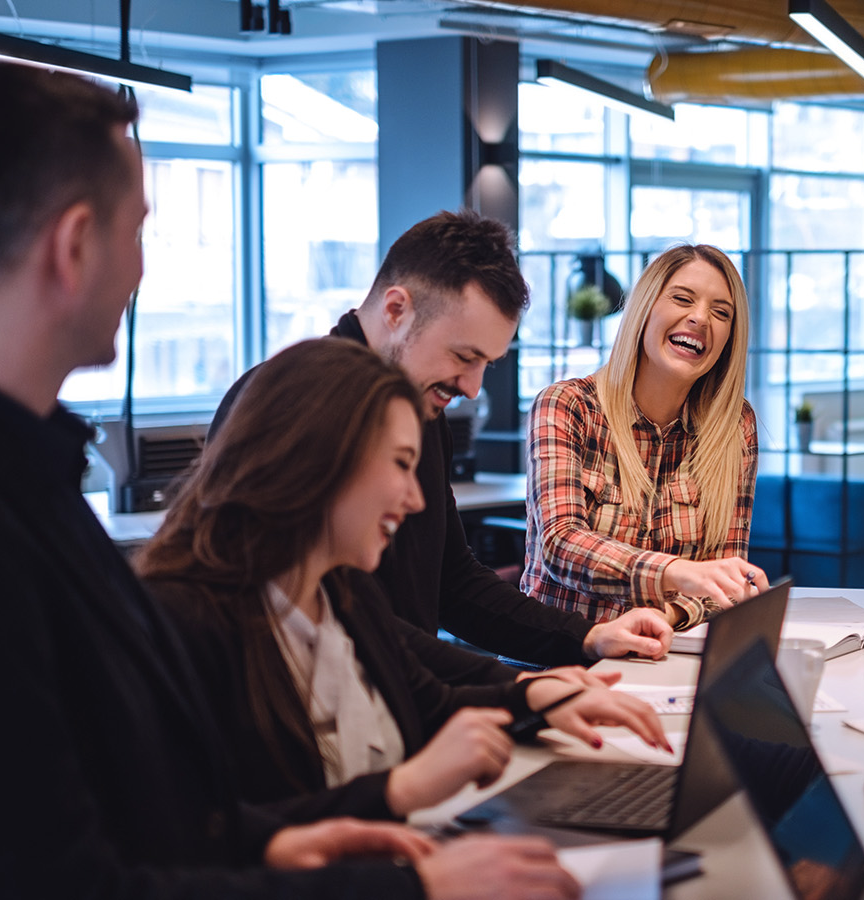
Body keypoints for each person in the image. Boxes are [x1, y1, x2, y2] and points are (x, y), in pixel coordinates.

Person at [0, 61, 580, 900]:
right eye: (139, 229)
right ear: (74, 245)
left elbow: (142, 807)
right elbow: (58, 881)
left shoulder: (4, 463)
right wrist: (412, 890)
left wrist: (284, 839)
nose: (144, 270)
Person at [139, 338, 668, 819]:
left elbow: (429, 701)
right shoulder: (183, 625)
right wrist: (401, 790)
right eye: (399, 465)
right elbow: (203, 839)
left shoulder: (342, 597)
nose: (415, 500)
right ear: (318, 459)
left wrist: (539, 696)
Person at [212, 212, 671, 682]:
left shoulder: (421, 407)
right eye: (463, 356)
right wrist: (515, 689)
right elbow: (339, 623)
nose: (471, 388)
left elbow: (453, 583)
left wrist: (587, 637)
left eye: (486, 365)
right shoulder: (284, 405)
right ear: (396, 311)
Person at [523, 244, 766, 630]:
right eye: (682, 299)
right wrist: (678, 573)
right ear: (644, 309)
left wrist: (665, 615)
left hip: (663, 657)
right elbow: (561, 545)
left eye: (721, 313)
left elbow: (725, 580)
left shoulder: (735, 425)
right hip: (560, 661)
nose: (701, 318)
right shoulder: (569, 406)